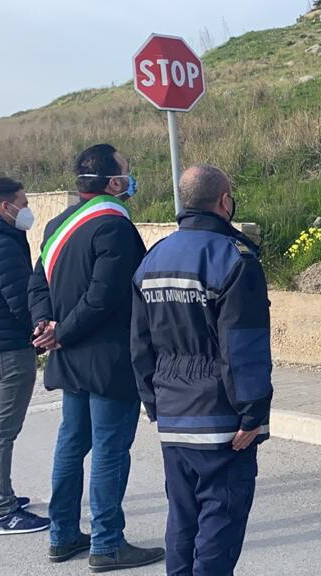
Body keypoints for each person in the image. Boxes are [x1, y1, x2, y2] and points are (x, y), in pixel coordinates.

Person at [28, 144, 164, 570]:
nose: (130, 175)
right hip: (108, 359)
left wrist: (45, 327)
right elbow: (104, 297)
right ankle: (107, 544)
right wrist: (61, 333)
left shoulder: (57, 224)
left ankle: (63, 535)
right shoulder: (115, 227)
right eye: (126, 170)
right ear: (112, 183)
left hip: (68, 357)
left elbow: (37, 286)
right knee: (109, 449)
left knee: (71, 444)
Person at [131, 165, 272, 576]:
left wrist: (153, 401)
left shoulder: (153, 257)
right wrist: (253, 412)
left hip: (173, 413)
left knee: (182, 519)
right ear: (224, 201)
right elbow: (243, 345)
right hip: (222, 418)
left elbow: (139, 344)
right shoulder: (233, 257)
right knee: (219, 524)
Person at [0, 177, 48, 534]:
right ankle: (2, 511)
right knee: (2, 431)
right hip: (8, 348)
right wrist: (41, 330)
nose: (27, 209)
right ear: (6, 206)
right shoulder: (0, 243)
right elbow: (21, 300)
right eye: (23, 201)